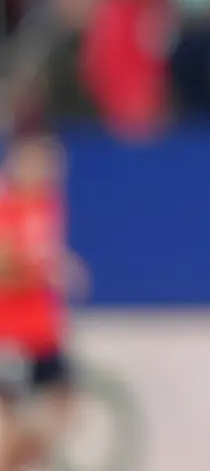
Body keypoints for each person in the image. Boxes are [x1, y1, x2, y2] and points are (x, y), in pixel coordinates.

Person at [0, 133, 75, 471]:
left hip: (42, 331)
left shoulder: (48, 205)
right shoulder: (7, 207)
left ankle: (25, 453)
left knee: (65, 405)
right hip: (12, 332)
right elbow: (6, 270)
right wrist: (43, 271)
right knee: (11, 426)